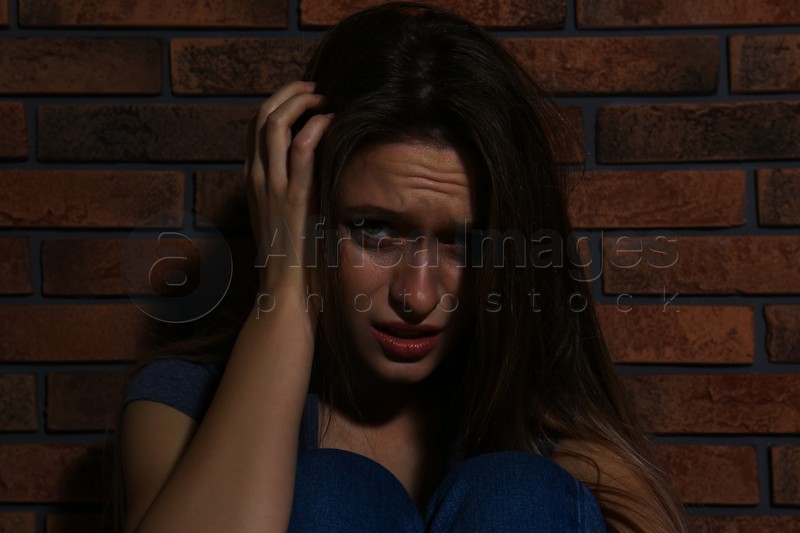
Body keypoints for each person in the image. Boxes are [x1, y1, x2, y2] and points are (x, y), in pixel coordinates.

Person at [119, 3, 689, 532]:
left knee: (519, 493)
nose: (416, 295)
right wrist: (287, 293)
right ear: (304, 214)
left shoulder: (556, 433)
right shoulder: (186, 402)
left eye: (463, 242)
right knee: (329, 492)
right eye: (374, 230)